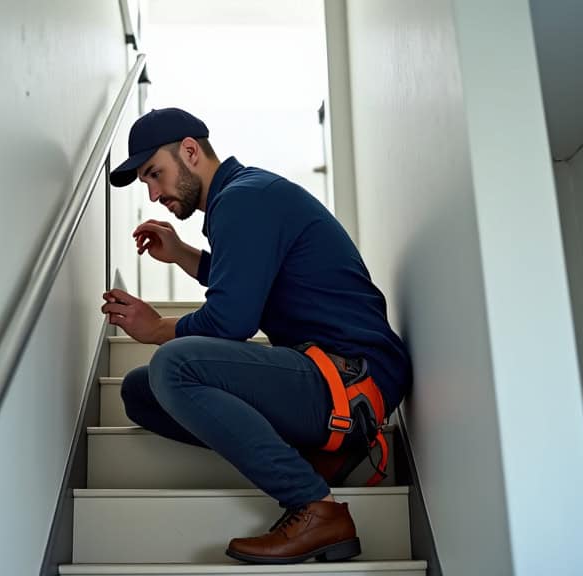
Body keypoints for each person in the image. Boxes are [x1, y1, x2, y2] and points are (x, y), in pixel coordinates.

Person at [100, 107, 412, 564]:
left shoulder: (245, 198)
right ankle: (317, 457)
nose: (152, 193)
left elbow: (232, 321)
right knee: (140, 392)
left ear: (190, 151)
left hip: (352, 378)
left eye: (155, 173)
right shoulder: (247, 197)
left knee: (175, 363)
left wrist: (157, 329)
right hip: (325, 377)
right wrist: (186, 255)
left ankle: (314, 507)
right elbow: (251, 279)